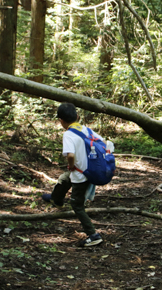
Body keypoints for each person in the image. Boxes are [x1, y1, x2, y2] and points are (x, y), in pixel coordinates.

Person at [41, 103, 104, 247]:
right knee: (64, 178)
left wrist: (71, 164)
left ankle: (93, 235)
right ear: (77, 117)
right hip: (89, 170)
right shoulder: (86, 130)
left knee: (77, 204)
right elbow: (103, 143)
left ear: (61, 121)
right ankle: (56, 199)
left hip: (81, 175)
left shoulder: (69, 134)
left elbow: (70, 155)